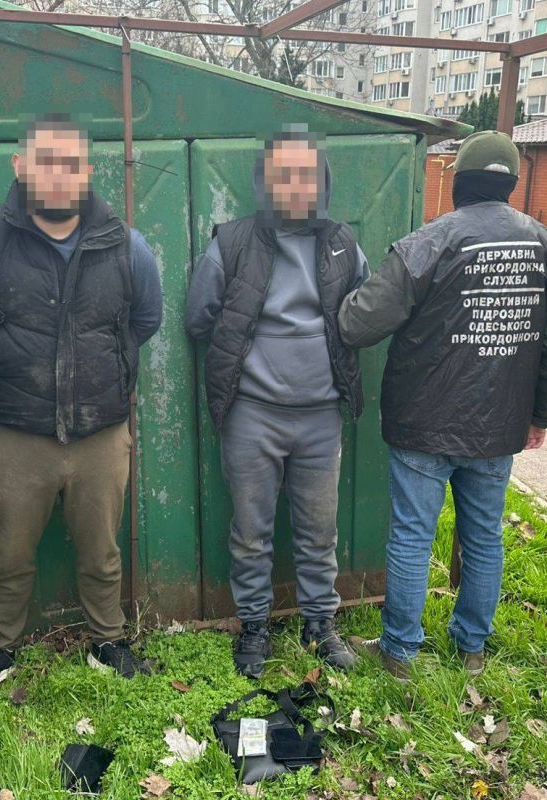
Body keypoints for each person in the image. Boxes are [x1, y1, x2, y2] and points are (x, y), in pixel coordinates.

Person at [0, 114, 163, 700]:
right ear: (21, 167)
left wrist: (102, 372)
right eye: (46, 162)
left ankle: (108, 640)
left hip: (100, 433)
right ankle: (0, 649)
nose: (59, 176)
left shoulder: (126, 245)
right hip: (15, 434)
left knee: (102, 550)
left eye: (71, 164)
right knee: (9, 554)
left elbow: (145, 320)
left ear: (87, 172)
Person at [338, 130, 547, 679]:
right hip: (499, 427)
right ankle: (471, 649)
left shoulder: (428, 244)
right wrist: (540, 416)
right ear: (511, 183)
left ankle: (400, 653)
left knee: (411, 536)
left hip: (423, 424)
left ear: (459, 183)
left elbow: (357, 323)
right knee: (484, 537)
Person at [185, 126, 368, 679]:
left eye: (305, 174)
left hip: (321, 418)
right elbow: (198, 317)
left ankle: (319, 624)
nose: (294, 185)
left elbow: (364, 311)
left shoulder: (341, 243)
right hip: (252, 416)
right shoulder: (233, 243)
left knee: (318, 532)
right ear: (265, 181)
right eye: (282, 174)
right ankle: (254, 627)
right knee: (250, 533)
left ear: (321, 181)